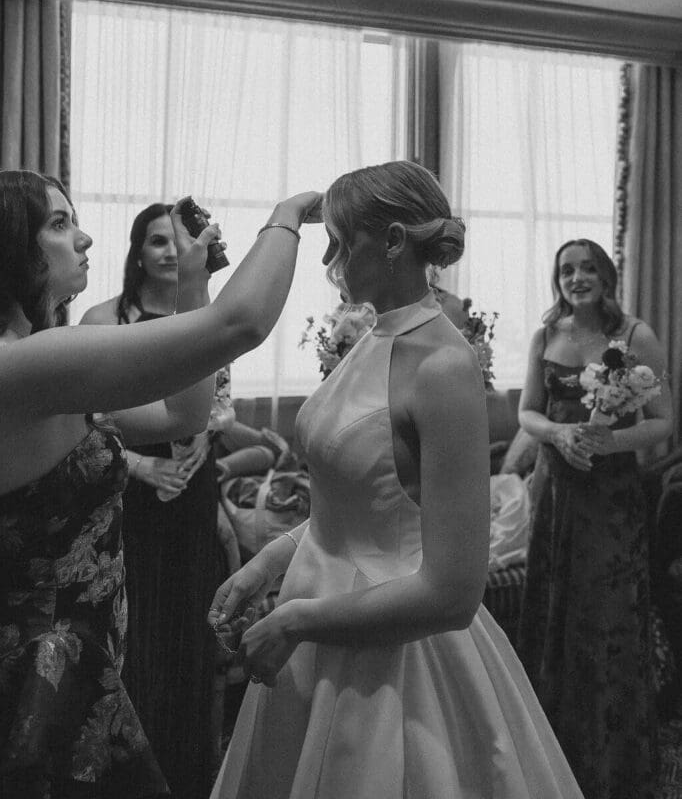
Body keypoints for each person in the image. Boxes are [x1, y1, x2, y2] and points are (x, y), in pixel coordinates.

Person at [209, 159, 584, 799]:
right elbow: (362, 502)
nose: (328, 261)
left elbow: (453, 594)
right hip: (318, 604)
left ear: (391, 242)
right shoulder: (372, 337)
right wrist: (269, 561)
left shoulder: (443, 366)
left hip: (392, 643)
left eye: (340, 242)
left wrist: (297, 621)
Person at [0, 169, 320, 799]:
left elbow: (183, 415)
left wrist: (193, 284)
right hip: (40, 671)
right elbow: (240, 324)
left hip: (81, 659)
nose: (85, 238)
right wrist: (288, 213)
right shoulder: (24, 364)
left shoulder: (38, 356)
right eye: (59, 224)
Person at [79, 202, 283, 799]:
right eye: (157, 241)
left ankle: (187, 775)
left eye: (178, 241)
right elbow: (83, 414)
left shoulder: (204, 318)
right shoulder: (105, 319)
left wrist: (210, 446)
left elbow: (215, 407)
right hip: (129, 494)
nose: (170, 251)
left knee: (190, 634)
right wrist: (143, 466)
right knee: (136, 634)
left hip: (193, 492)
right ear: (138, 253)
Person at [516, 238, 673, 799]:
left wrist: (610, 443)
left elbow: (664, 422)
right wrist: (558, 433)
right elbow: (527, 412)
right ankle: (550, 760)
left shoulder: (635, 336)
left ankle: (611, 768)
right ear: (557, 279)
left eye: (587, 268)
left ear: (605, 276)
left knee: (604, 622)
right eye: (566, 269)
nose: (576, 277)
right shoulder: (545, 336)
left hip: (611, 505)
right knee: (553, 615)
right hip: (557, 499)